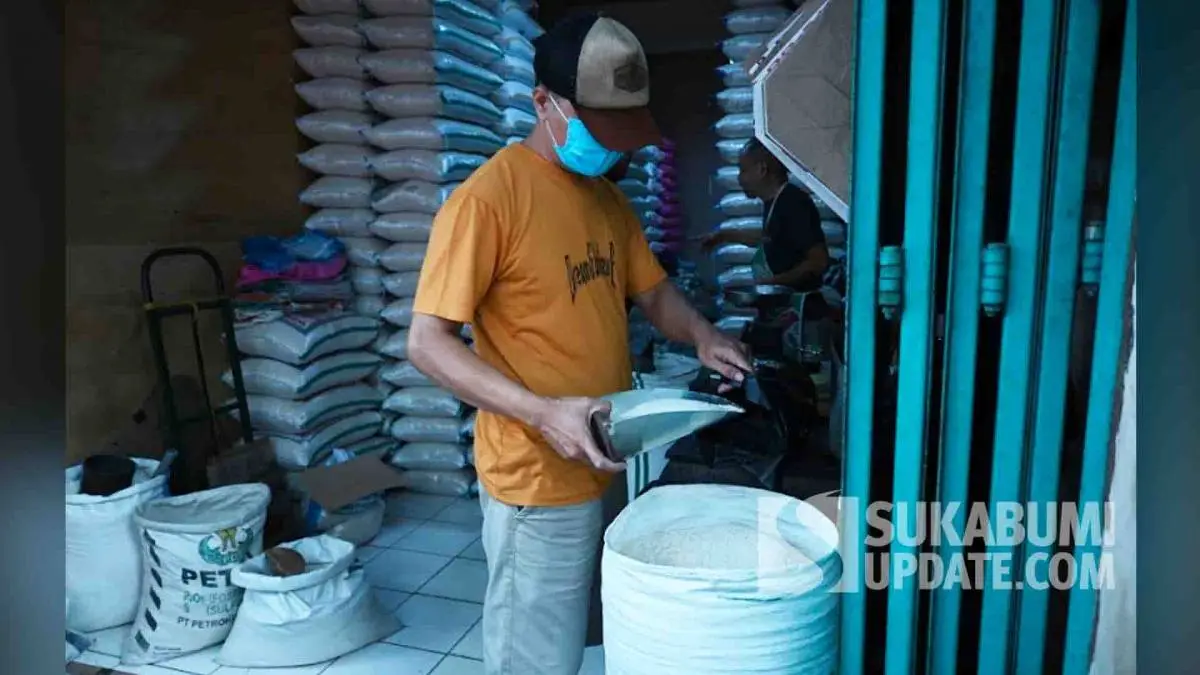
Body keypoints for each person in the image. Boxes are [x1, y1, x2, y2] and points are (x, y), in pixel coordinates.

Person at [405, 12, 752, 675]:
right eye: (600, 129)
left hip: (603, 459)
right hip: (536, 478)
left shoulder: (605, 201)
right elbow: (427, 342)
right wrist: (543, 412)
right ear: (545, 103)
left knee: (583, 639)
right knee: (533, 657)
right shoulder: (488, 202)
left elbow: (652, 293)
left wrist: (704, 335)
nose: (614, 149)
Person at [702, 138, 830, 293]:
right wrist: (723, 236)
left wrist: (774, 283)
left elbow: (818, 261)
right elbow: (774, 239)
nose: (739, 178)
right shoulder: (775, 202)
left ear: (762, 170)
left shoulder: (793, 203)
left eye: (743, 170)